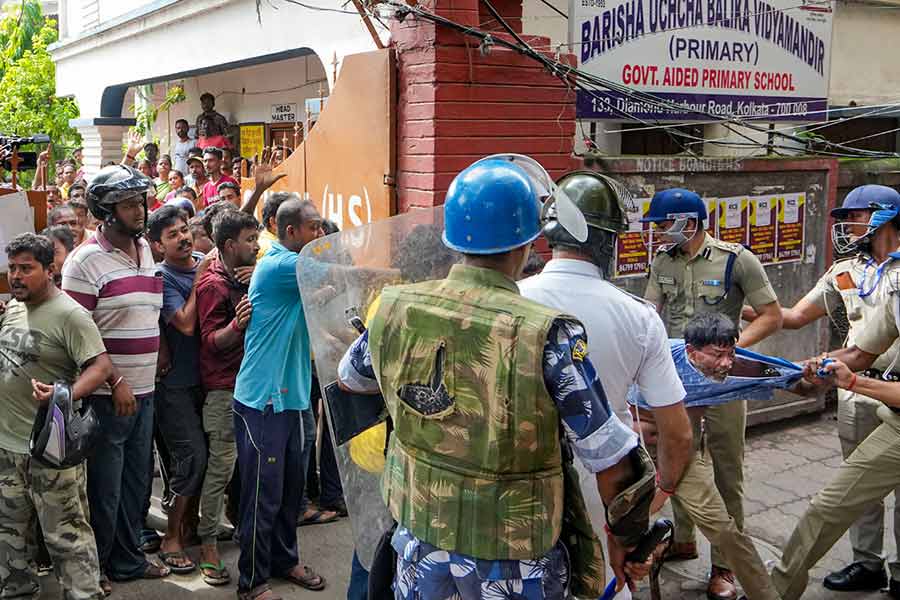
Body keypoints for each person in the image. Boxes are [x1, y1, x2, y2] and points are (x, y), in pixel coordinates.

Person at [337, 158, 659, 600]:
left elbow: (350, 378)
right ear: (528, 242)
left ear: (453, 240)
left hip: (419, 542)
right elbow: (609, 456)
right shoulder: (548, 334)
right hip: (513, 562)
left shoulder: (394, 308)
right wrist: (625, 540)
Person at [744, 184, 900, 592]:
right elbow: (795, 318)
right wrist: (737, 305)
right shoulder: (846, 271)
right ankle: (868, 563)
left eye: (855, 215)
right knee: (856, 485)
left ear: (884, 215)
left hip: (886, 390)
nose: (848, 224)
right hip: (862, 389)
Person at [518, 168, 694, 526]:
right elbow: (678, 433)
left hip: (521, 482)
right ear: (608, 241)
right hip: (606, 487)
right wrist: (661, 493)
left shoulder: (512, 300)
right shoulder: (639, 318)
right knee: (609, 581)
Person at [642, 188, 783, 600]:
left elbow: (772, 315)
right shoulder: (663, 262)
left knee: (726, 472)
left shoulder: (736, 260)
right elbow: (650, 314)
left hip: (722, 384)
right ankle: (683, 540)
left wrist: (730, 353)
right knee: (677, 462)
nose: (659, 232)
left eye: (664, 224)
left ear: (689, 221)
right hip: (677, 382)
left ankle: (725, 567)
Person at [61, 165, 171, 594]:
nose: (139, 211)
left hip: (146, 392)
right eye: (128, 205)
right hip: (109, 398)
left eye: (140, 202)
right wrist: (115, 383)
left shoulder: (145, 249)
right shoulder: (84, 261)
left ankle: (128, 559)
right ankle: (99, 566)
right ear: (105, 211)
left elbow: (149, 311)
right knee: (103, 489)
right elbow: (76, 334)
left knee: (136, 485)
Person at [632, 312, 790, 600]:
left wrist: (814, 374)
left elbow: (788, 375)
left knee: (724, 531)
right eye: (718, 355)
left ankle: (764, 595)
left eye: (730, 353)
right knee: (620, 527)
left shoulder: (730, 371)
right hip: (633, 450)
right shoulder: (656, 354)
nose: (726, 363)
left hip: (684, 452)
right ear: (691, 352)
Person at [0, 232, 113, 600]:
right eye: (12, 268)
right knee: (9, 536)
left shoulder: (70, 315)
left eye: (26, 269)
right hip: (6, 449)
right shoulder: (14, 306)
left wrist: (63, 394)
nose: (16, 276)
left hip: (50, 450)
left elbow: (100, 366)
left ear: (50, 270)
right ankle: (16, 590)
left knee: (67, 538)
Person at [232, 197, 328, 599]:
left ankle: (284, 560)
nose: (320, 235)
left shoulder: (289, 264)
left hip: (291, 399)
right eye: (314, 228)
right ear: (291, 232)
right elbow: (340, 273)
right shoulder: (281, 266)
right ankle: (251, 580)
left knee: (290, 490)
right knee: (263, 494)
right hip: (263, 401)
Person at [195, 209, 260, 587]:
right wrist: (238, 325)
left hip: (251, 387)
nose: (256, 246)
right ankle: (207, 543)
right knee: (220, 470)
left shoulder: (248, 275)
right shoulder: (213, 286)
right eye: (250, 241)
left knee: (245, 469)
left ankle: (240, 529)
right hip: (223, 390)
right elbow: (210, 343)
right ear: (230, 246)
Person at [146, 206, 211, 575]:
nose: (183, 238)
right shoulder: (163, 276)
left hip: (210, 380)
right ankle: (171, 536)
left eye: (185, 230)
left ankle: (191, 525)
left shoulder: (204, 260)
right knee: (191, 458)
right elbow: (185, 324)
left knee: (209, 458)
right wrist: (202, 279)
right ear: (158, 245)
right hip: (173, 385)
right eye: (172, 235)